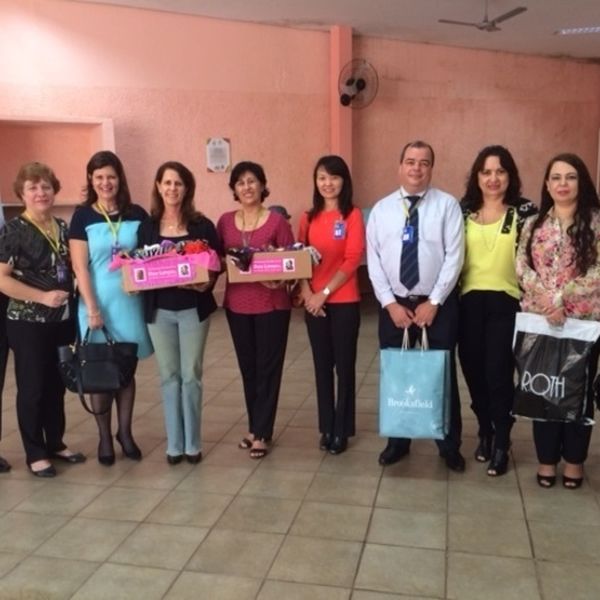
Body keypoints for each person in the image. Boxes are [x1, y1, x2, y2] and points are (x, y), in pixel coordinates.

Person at [367, 140, 466, 471]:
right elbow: (374, 262)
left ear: (431, 168)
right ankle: (398, 441)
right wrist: (389, 304)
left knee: (440, 373)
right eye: (410, 161)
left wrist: (434, 301)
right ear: (400, 166)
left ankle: (448, 444)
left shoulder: (447, 206)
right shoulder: (381, 210)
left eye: (424, 162)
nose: (416, 168)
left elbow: (454, 257)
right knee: (397, 374)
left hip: (437, 305)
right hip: (394, 306)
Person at [516, 153, 600, 489]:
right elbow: (521, 267)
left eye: (570, 177)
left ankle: (575, 461)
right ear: (547, 184)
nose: (563, 184)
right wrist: (548, 301)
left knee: (577, 391)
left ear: (581, 182)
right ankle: (547, 459)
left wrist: (562, 298)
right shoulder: (533, 224)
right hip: (542, 321)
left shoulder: (595, 222)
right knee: (543, 388)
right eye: (556, 177)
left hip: (582, 323)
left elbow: (598, 271)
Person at [0, 162, 85, 477]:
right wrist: (41, 297)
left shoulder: (62, 226)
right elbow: (2, 279)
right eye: (33, 187)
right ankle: (35, 452)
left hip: (61, 320)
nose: (40, 193)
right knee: (33, 387)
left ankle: (55, 442)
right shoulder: (13, 231)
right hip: (28, 323)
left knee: (56, 385)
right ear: (21, 193)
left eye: (46, 186)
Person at [70, 151, 152, 466]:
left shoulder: (137, 213)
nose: (106, 183)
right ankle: (104, 437)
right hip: (96, 303)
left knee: (126, 370)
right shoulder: (83, 216)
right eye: (99, 177)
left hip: (130, 302)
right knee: (100, 371)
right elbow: (80, 267)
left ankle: (125, 433)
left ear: (120, 179)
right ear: (91, 180)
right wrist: (92, 308)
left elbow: (149, 255)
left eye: (111, 176)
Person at [458, 146, 537, 476]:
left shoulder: (525, 211)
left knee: (498, 374)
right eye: (486, 172)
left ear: (510, 176)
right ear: (477, 177)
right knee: (473, 372)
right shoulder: (462, 211)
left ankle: (502, 440)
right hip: (468, 303)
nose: (493, 178)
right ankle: (485, 430)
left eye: (500, 171)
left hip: (506, 303)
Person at [137, 161, 220, 465]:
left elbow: (217, 265)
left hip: (193, 311)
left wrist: (207, 284)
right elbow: (137, 266)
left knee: (191, 376)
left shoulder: (202, 225)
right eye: (167, 183)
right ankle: (174, 443)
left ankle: (192, 444)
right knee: (169, 376)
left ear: (187, 189)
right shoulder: (147, 227)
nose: (172, 188)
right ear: (158, 187)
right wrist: (133, 282)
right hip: (159, 312)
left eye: (179, 183)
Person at [217, 161, 293, 459]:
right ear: (234, 189)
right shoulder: (225, 222)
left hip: (271, 305)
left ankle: (262, 432)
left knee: (267, 369)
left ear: (262, 185)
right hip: (237, 304)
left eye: (252, 181)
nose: (247, 187)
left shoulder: (277, 222)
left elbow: (292, 261)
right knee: (248, 368)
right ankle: (254, 426)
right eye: (240, 183)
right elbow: (216, 260)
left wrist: (280, 279)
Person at [298, 155, 365, 454]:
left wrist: (323, 293)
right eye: (322, 177)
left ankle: (342, 429)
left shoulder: (352, 215)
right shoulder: (307, 217)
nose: (328, 183)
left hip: (343, 301)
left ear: (344, 181)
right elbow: (298, 259)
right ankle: (326, 426)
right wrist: (307, 294)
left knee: (344, 367)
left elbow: (352, 259)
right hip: (314, 303)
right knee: (321, 366)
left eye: (334, 177)